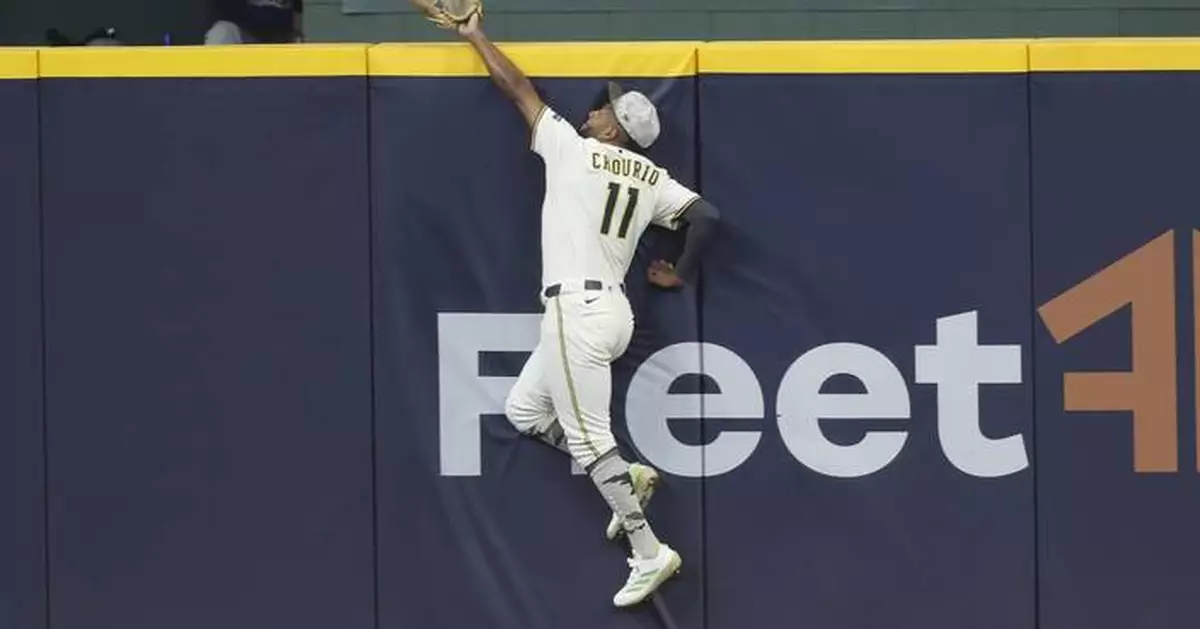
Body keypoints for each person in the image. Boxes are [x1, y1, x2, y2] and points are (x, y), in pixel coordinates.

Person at [453, 11, 721, 608]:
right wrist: (679, 271)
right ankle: (629, 475)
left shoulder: (574, 151)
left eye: (605, 108)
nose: (595, 110)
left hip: (577, 311)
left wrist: (475, 36)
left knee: (587, 438)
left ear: (614, 130)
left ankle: (650, 551)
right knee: (524, 410)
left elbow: (517, 88)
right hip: (612, 311)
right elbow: (706, 217)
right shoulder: (652, 175)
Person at [205, 0, 304, 45]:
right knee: (221, 32)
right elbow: (227, 10)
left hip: (286, 40)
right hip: (248, 36)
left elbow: (301, 14)